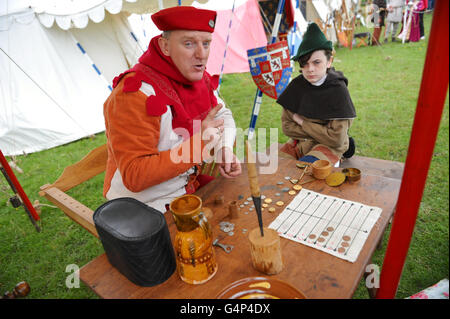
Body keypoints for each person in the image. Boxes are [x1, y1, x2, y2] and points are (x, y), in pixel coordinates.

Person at [103, 6, 241, 213]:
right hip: (144, 207)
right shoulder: (134, 93)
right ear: (165, 46)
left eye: (206, 43)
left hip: (188, 190)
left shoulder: (196, 77)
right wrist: (199, 145)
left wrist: (224, 149)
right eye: (188, 43)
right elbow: (135, 175)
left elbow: (222, 114)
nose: (201, 55)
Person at [277, 23, 356, 166]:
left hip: (329, 147)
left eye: (316, 62)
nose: (310, 69)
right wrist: (324, 131)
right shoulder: (296, 86)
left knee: (307, 171)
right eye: (305, 64)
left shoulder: (338, 90)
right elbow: (287, 127)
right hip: (301, 143)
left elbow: (336, 139)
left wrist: (302, 122)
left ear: (329, 61)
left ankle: (345, 146)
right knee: (278, 167)